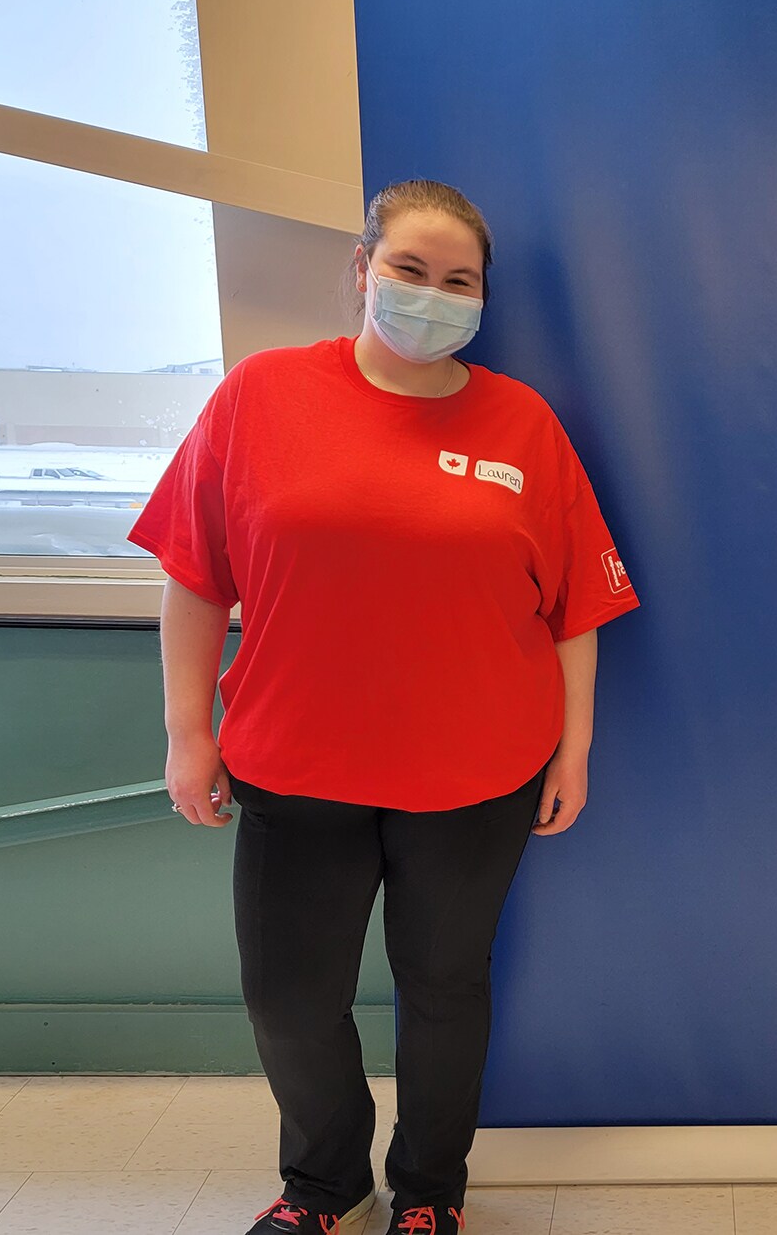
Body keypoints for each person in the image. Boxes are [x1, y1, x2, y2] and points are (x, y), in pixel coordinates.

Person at [130, 179, 640, 1235]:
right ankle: (324, 1183)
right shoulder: (258, 395)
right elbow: (191, 574)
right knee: (289, 998)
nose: (430, 294)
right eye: (409, 269)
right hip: (293, 765)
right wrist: (188, 732)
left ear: (482, 300)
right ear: (361, 269)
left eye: (458, 281)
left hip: (474, 775)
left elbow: (573, 607)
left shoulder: (521, 421)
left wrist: (573, 747)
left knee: (445, 991)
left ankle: (429, 1190)